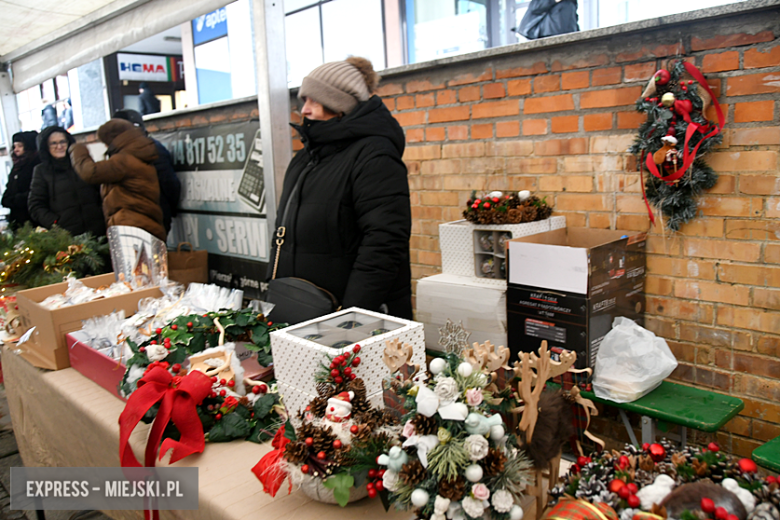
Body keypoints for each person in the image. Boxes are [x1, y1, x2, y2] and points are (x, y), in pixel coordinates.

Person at [268, 57, 412, 319]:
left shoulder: (375, 155)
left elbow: (384, 243)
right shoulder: (306, 157)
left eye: (314, 100)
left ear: (339, 104)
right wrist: (275, 286)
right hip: (300, 308)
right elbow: (284, 231)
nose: (305, 110)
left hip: (350, 319)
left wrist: (351, 317)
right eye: (304, 101)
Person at [70, 118, 166, 241]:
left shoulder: (123, 161)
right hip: (143, 224)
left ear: (113, 140)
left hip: (131, 227)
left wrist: (77, 150)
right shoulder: (136, 154)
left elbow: (90, 172)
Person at [27, 126, 105, 237]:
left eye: (63, 141)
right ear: (45, 146)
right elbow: (35, 205)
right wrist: (55, 223)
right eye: (53, 143)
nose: (59, 146)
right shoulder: (41, 171)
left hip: (98, 231)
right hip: (68, 236)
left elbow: (101, 191)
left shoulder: (81, 163)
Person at [113, 109, 181, 234]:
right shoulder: (119, 151)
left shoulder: (150, 149)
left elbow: (168, 182)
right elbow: (169, 183)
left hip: (149, 215)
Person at [2, 131, 41, 229]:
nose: (16, 150)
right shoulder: (17, 166)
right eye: (14, 146)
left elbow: (36, 191)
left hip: (32, 217)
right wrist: (7, 199)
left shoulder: (36, 165)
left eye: (19, 146)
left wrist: (17, 199)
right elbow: (9, 188)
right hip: (17, 218)